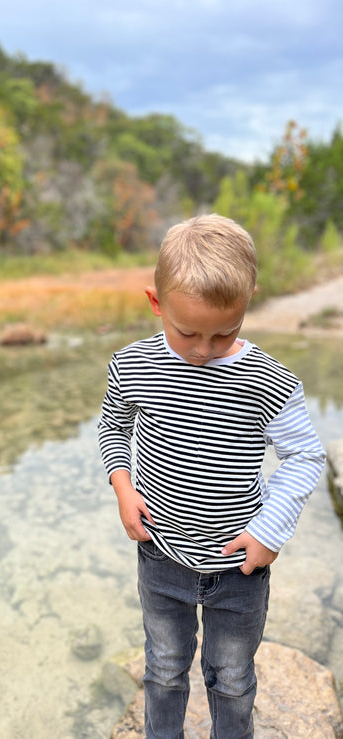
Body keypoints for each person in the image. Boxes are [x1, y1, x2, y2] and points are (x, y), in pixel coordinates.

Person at [98, 214, 326, 738]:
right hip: (160, 557)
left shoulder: (269, 378)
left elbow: (306, 456)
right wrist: (122, 487)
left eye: (226, 332)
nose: (203, 349)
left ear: (248, 303)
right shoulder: (132, 365)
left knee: (232, 677)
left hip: (238, 568)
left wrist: (271, 533)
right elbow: (113, 427)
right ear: (157, 304)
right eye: (187, 332)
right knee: (163, 668)